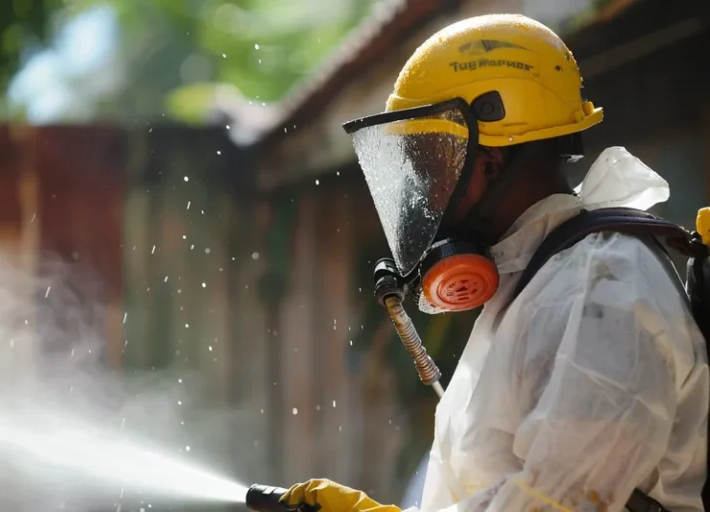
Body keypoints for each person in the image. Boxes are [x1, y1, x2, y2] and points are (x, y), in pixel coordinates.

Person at [280, 13, 709, 512]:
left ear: (491, 161)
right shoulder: (543, 276)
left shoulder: (602, 285)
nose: (419, 194)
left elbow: (563, 501)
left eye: (429, 166)